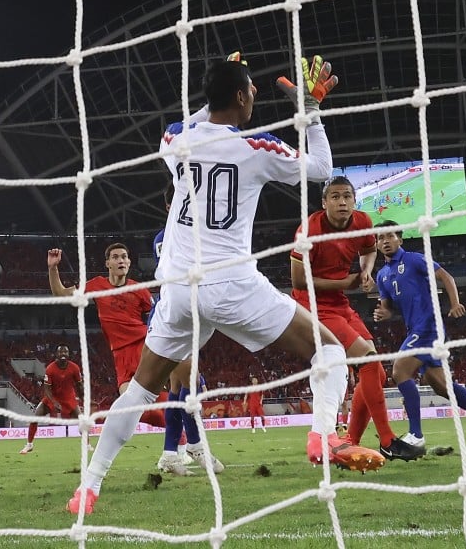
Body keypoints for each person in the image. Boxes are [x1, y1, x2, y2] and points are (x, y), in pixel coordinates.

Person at [67, 55, 385, 515]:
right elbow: (321, 168)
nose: (255, 95)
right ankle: (322, 435)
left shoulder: (176, 138)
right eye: (251, 89)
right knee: (330, 349)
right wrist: (310, 111)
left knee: (139, 391)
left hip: (177, 290)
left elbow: (187, 121)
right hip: (232, 285)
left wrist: (217, 86)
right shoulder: (256, 146)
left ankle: (89, 488)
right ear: (240, 96)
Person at [290, 176, 420, 462]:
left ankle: (351, 440)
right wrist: (346, 283)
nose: (342, 202)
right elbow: (298, 281)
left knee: (377, 372)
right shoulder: (309, 229)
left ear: (354, 200)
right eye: (335, 197)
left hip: (340, 303)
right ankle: (387, 440)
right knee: (369, 361)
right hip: (313, 306)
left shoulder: (362, 221)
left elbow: (369, 249)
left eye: (347, 196)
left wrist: (365, 271)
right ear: (324, 203)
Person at [373, 221, 466, 453]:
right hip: (413, 328)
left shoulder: (413, 260)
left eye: (390, 236)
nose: (385, 241)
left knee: (399, 371)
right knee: (442, 387)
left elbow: (446, 277)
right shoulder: (382, 275)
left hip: (428, 327)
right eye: (380, 238)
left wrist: (455, 304)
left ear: (400, 239)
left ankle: (416, 435)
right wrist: (384, 313)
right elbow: (388, 308)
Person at [48, 243, 165, 429]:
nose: (121, 260)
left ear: (129, 262)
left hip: (143, 348)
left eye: (124, 257)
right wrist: (53, 267)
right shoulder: (96, 286)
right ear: (107, 263)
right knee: (133, 408)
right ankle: (181, 440)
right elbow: (60, 294)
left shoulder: (140, 290)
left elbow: (160, 316)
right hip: (119, 355)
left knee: (165, 402)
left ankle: (182, 444)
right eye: (116, 257)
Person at [152, 182, 225, 477]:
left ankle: (171, 453)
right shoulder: (166, 237)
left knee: (177, 388)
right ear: (170, 206)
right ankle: (195, 445)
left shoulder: (199, 232)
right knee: (191, 382)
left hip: (192, 313)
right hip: (175, 313)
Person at [20, 345, 84, 454]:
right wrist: (54, 402)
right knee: (35, 417)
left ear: (69, 354)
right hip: (52, 398)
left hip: (69, 398)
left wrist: (85, 399)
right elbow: (47, 388)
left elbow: (79, 386)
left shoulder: (75, 368)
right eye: (61, 352)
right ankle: (29, 445)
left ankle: (87, 445)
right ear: (57, 354)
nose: (63, 354)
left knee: (82, 421)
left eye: (66, 352)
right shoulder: (50, 368)